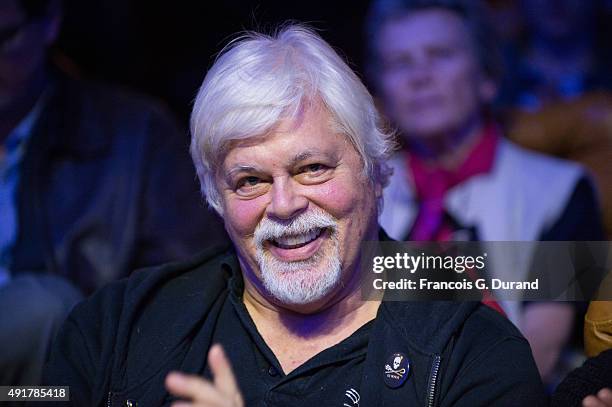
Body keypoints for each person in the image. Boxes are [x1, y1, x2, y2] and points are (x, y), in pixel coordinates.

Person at [42, 24, 547, 406]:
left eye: (312, 168)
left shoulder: (475, 353)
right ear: (215, 197)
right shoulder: (115, 325)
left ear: (376, 170)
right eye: (251, 181)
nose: (283, 206)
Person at [364, 0, 605, 385]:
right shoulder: (361, 193)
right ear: (383, 92)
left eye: (440, 54)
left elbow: (536, 356)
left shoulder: (565, 188)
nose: (419, 76)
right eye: (399, 63)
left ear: (487, 76)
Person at [0, 0, 226, 387]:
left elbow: (192, 295)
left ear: (50, 22)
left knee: (39, 311)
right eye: (253, 180)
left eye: (3, 37)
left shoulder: (135, 138)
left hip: (44, 390)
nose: (283, 201)